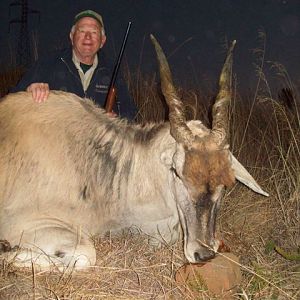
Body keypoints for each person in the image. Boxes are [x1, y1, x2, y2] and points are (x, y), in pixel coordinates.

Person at [12, 10, 137, 120]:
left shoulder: (112, 71)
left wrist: (116, 119)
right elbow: (13, 99)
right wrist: (29, 91)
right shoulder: (48, 63)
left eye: (94, 32)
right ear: (72, 37)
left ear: (102, 41)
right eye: (82, 31)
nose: (88, 37)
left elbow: (130, 113)